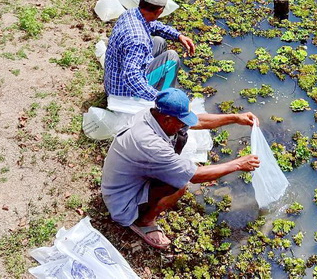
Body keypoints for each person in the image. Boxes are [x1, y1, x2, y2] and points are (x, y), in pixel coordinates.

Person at [101, 88, 260, 249]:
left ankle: (152, 201)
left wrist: (235, 118)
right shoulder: (150, 145)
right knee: (179, 186)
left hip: (130, 179)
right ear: (167, 119)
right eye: (182, 121)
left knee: (181, 136)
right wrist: (238, 164)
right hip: (123, 203)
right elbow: (195, 175)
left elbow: (198, 121)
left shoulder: (150, 115)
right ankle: (144, 221)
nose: (185, 124)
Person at [104, 0, 194, 101]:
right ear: (160, 11)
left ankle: (160, 91)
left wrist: (178, 36)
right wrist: (156, 97)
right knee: (172, 58)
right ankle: (166, 102)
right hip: (122, 95)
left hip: (114, 81)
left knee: (159, 41)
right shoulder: (138, 40)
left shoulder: (131, 13)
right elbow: (131, 77)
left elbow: (155, 26)